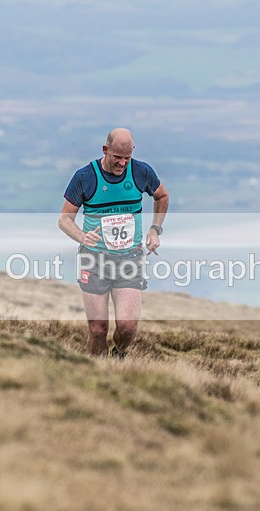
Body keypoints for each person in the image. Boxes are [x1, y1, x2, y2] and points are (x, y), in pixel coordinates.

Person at [58, 128, 169, 360]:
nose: (122, 163)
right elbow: (64, 219)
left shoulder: (141, 172)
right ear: (105, 150)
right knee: (98, 330)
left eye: (127, 158)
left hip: (129, 258)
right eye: (117, 157)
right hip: (93, 259)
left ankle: (118, 354)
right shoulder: (85, 177)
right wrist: (81, 236)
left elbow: (162, 196)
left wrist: (155, 229)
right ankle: (97, 374)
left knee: (128, 327)